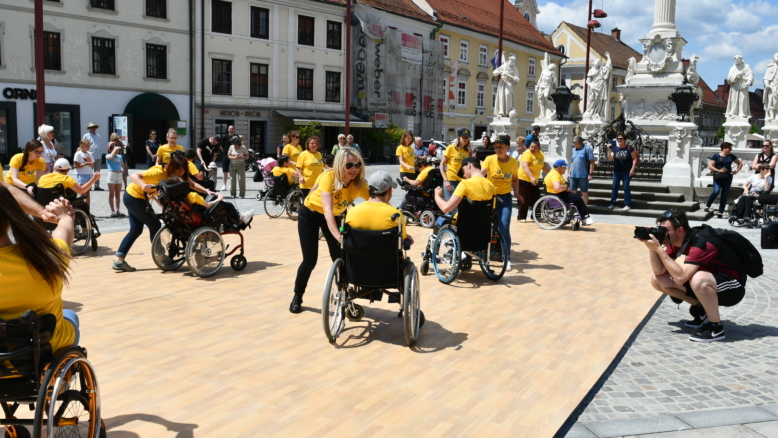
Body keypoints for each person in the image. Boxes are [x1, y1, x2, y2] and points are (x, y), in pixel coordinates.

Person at [643, 209, 747, 342]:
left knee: (699, 279)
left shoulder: (702, 242)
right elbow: (659, 271)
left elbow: (681, 277)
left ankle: (716, 328)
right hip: (712, 281)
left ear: (680, 230)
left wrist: (658, 249)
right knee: (657, 280)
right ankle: (702, 310)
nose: (662, 234)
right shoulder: (677, 241)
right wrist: (652, 249)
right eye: (660, 229)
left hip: (733, 287)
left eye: (665, 230)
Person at [0, 190, 81, 354]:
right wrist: (64, 216)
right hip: (40, 354)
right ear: (9, 218)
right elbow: (64, 233)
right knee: (70, 315)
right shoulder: (46, 256)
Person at [291, 147, 368, 314]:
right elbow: (327, 211)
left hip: (333, 217)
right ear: (340, 164)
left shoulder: (358, 184)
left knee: (339, 258)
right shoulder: (329, 176)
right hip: (310, 216)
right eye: (349, 165)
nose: (354, 169)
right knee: (309, 261)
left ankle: (344, 294)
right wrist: (338, 237)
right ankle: (297, 296)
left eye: (357, 164)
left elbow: (378, 202)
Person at [114, 156, 212, 272]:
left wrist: (206, 191)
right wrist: (142, 185)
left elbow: (192, 185)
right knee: (154, 224)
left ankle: (119, 260)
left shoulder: (178, 176)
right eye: (178, 169)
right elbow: (134, 175)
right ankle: (161, 256)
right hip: (134, 197)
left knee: (135, 230)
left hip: (137, 198)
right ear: (171, 167)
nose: (181, 172)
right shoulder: (158, 172)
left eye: (183, 170)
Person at [482, 135, 522, 270]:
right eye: (496, 147)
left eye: (501, 147)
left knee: (504, 228)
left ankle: (506, 258)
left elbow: (515, 179)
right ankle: (481, 253)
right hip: (489, 197)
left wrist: (516, 193)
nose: (497, 149)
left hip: (505, 199)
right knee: (483, 226)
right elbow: (480, 175)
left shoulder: (513, 163)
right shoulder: (489, 160)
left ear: (508, 148)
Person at [346, 171, 412, 246]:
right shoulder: (395, 214)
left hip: (356, 257)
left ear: (368, 189)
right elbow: (402, 240)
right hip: (386, 256)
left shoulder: (352, 212)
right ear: (390, 190)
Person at [165, 176, 254, 226]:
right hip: (200, 219)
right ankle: (239, 221)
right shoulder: (192, 196)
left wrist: (153, 199)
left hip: (184, 221)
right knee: (227, 205)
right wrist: (219, 198)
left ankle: (236, 218)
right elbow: (208, 206)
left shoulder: (170, 200)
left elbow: (163, 208)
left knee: (214, 200)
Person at [545, 159, 596, 225]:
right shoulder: (554, 175)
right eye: (565, 167)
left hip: (558, 194)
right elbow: (557, 187)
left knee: (576, 197)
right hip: (557, 195)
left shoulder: (554, 173)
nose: (566, 169)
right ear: (559, 167)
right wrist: (566, 187)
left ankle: (584, 216)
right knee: (577, 198)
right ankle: (584, 218)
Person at [705, 142, 743, 217]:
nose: (730, 150)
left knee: (724, 194)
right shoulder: (716, 156)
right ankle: (708, 205)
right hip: (718, 176)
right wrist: (719, 171)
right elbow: (710, 166)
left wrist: (736, 171)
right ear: (724, 148)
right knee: (716, 191)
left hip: (728, 176)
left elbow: (740, 164)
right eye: (729, 148)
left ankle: (720, 212)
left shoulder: (731, 156)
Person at [516, 138, 550, 222]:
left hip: (534, 180)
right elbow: (525, 166)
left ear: (539, 148)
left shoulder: (541, 154)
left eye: (535, 147)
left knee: (537, 198)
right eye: (531, 147)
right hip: (523, 179)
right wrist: (531, 177)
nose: (533, 149)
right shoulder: (527, 154)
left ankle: (536, 216)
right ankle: (521, 217)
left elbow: (542, 165)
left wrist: (551, 173)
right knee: (525, 198)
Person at [607, 133, 639, 212]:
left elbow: (634, 159)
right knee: (615, 187)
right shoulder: (615, 149)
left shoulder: (629, 148)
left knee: (626, 187)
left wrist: (632, 169)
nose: (619, 140)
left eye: (621, 139)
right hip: (617, 171)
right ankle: (612, 203)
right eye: (618, 138)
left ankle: (627, 204)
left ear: (625, 140)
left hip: (626, 171)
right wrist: (609, 149)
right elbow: (610, 159)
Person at [441, 128, 472, 200]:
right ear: (459, 137)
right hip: (451, 180)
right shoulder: (451, 148)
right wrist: (446, 181)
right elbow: (442, 165)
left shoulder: (467, 151)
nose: (466, 139)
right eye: (464, 137)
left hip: (463, 181)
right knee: (451, 207)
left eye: (468, 137)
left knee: (461, 206)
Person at [569, 135, 596, 205]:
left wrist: (590, 174)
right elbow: (572, 162)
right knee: (572, 191)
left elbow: (592, 162)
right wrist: (569, 172)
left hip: (583, 175)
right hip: (573, 175)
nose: (573, 144)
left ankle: (584, 207)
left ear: (578, 142)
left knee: (584, 191)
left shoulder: (587, 149)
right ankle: (573, 207)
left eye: (573, 142)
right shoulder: (574, 150)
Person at [73, 139, 95, 206]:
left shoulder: (89, 153)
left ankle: (87, 210)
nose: (89, 147)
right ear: (82, 146)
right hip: (82, 175)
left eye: (89, 146)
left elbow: (93, 165)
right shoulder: (78, 154)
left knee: (88, 193)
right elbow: (75, 165)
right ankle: (81, 208)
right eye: (87, 146)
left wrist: (90, 163)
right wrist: (86, 164)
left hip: (89, 174)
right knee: (82, 192)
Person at [105, 140, 125, 217]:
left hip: (119, 175)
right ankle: (112, 211)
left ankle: (118, 210)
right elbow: (110, 157)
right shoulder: (107, 155)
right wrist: (114, 149)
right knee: (111, 194)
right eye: (113, 149)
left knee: (118, 194)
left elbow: (123, 164)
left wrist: (123, 170)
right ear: (110, 149)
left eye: (117, 149)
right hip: (112, 174)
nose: (116, 150)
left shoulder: (120, 156)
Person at [82, 122, 104, 190]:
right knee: (89, 171)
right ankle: (89, 186)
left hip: (98, 156)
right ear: (89, 128)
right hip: (90, 156)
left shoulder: (98, 136)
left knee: (97, 172)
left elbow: (100, 144)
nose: (94, 128)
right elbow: (83, 146)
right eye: (92, 127)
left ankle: (97, 186)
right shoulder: (86, 136)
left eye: (94, 127)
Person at [219, 125, 236, 191]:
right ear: (228, 130)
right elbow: (221, 146)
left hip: (234, 155)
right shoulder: (225, 137)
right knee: (225, 170)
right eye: (230, 128)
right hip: (226, 155)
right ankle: (224, 185)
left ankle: (231, 185)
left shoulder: (236, 137)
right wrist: (225, 152)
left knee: (233, 170)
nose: (231, 129)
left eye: (232, 128)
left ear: (234, 129)